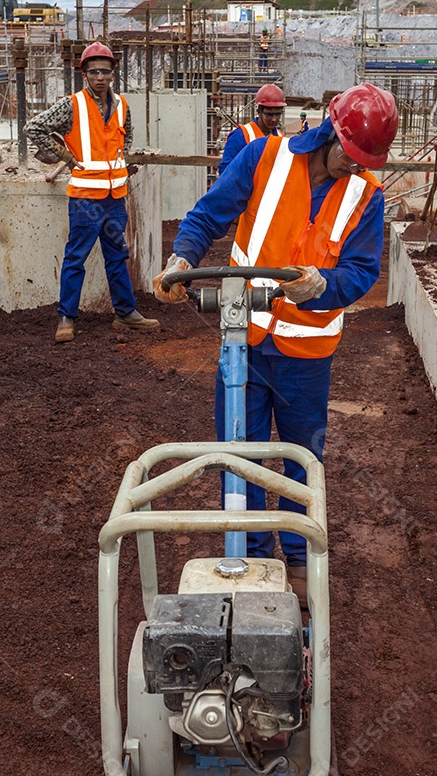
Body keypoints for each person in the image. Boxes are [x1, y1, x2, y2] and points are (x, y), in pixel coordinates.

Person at [153, 83, 398, 606]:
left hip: (306, 356)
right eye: (350, 158)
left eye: (364, 163)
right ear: (330, 132)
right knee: (238, 454)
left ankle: (300, 556)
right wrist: (183, 258)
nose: (354, 169)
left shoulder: (367, 196)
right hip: (244, 340)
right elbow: (208, 214)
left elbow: (361, 271)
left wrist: (323, 288)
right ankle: (255, 553)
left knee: (300, 457)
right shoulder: (264, 156)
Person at [25, 41, 159, 342]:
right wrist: (68, 158)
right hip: (86, 198)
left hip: (114, 198)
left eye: (105, 71)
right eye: (94, 71)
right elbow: (34, 128)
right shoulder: (73, 104)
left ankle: (125, 313)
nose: (100, 77)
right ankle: (66, 318)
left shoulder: (121, 104)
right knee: (76, 257)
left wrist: (122, 154)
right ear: (84, 74)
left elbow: (128, 132)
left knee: (116, 255)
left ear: (113, 74)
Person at [219, 83, 285, 176]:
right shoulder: (241, 136)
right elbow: (227, 173)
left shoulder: (280, 137)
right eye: (269, 114)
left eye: (277, 114)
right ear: (259, 112)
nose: (274, 119)